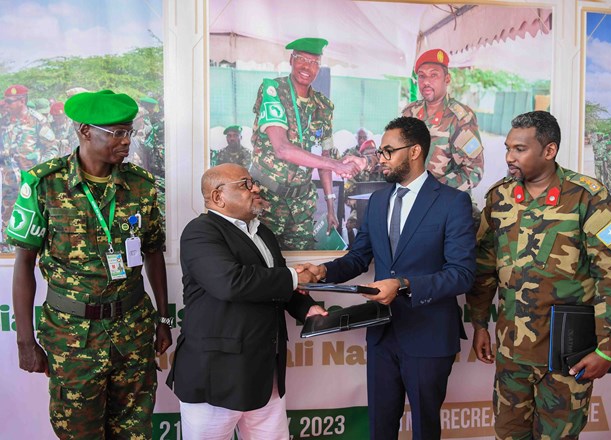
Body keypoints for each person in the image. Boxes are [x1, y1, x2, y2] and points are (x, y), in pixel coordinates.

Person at [296, 116, 476, 440]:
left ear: (415, 151)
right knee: (380, 428)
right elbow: (357, 257)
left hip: (429, 335)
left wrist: (404, 285)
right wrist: (323, 271)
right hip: (382, 335)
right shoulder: (379, 201)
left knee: (424, 430)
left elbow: (461, 275)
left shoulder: (452, 202)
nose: (381, 159)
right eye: (380, 151)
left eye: (388, 151)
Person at [8, 89, 172, 439]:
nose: (126, 141)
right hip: (72, 337)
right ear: (85, 131)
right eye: (117, 133)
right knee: (79, 433)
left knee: (135, 430)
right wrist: (25, 340)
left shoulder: (141, 187)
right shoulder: (44, 185)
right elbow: (23, 264)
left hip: (132, 331)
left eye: (130, 131)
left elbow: (153, 253)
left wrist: (162, 318)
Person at [467, 111, 611, 439]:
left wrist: (607, 347)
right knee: (509, 433)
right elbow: (484, 267)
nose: (509, 157)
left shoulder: (587, 196)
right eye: (507, 148)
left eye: (519, 149)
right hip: (512, 354)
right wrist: (478, 324)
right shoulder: (499, 197)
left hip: (567, 355)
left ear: (549, 151)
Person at [166, 163, 326, 440]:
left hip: (265, 377)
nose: (256, 189)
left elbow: (278, 282)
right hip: (216, 377)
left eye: (253, 183)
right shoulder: (200, 232)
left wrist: (306, 307)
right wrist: (294, 277)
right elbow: (231, 283)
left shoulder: (262, 232)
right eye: (245, 184)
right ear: (218, 197)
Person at [248, 37, 361, 250]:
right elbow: (281, 148)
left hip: (301, 204)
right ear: (292, 60)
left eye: (314, 62)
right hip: (265, 201)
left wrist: (330, 205)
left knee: (301, 269)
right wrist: (337, 165)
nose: (307, 67)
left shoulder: (323, 107)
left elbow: (324, 157)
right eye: (302, 59)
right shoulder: (273, 91)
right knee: (263, 268)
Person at [402, 49, 484, 193]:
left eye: (434, 75)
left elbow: (474, 170)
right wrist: (366, 162)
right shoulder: (409, 112)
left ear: (447, 79)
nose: (426, 82)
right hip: (412, 196)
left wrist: (432, 190)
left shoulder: (460, 118)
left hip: (447, 201)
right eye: (422, 76)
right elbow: (395, 151)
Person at [1, 85, 58, 251]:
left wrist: (41, 170)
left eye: (11, 102)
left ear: (22, 101)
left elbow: (52, 148)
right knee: (8, 214)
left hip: (32, 180)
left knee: (35, 215)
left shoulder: (38, 120)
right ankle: (8, 249)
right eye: (7, 102)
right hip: (9, 180)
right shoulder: (3, 121)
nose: (8, 105)